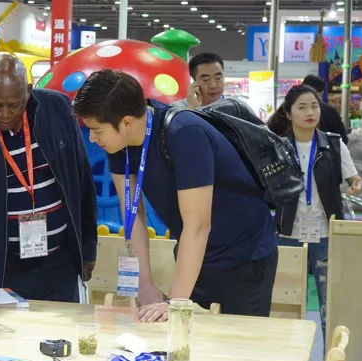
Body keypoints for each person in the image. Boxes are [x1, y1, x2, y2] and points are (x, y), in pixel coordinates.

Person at [73, 69, 278, 322]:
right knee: (185, 336)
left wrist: (174, 301)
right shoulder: (119, 144)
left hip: (244, 256)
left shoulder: (184, 133)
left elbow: (198, 225)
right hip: (195, 255)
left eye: (97, 130)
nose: (92, 138)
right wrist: (144, 284)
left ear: (126, 123)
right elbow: (133, 213)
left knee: (236, 340)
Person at [0, 53, 97, 302]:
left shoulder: (57, 110)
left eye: (14, 105)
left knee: (61, 327)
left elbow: (82, 180)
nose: (3, 114)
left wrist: (87, 247)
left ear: (28, 92)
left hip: (60, 264)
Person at [267, 85, 362, 338]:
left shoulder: (333, 144)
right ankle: (288, 358)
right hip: (287, 234)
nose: (310, 112)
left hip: (326, 233)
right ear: (289, 114)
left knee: (330, 305)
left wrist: (356, 184)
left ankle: (331, 359)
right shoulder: (278, 147)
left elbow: (354, 178)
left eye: (314, 106)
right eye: (302, 107)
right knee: (285, 305)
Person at [302, 74, 349, 143]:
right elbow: (343, 139)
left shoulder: (293, 109)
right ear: (321, 93)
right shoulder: (330, 112)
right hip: (324, 148)